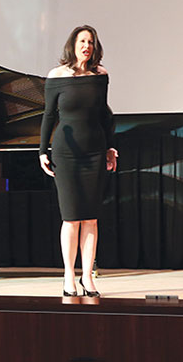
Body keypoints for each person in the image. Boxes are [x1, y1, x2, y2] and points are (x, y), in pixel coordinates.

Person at [39, 25, 118, 297]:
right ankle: (68, 276)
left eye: (91, 42)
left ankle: (88, 277)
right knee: (71, 218)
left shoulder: (100, 75)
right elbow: (49, 116)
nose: (87, 45)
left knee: (91, 218)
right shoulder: (57, 76)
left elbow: (105, 115)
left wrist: (110, 147)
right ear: (72, 44)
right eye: (82, 41)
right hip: (66, 152)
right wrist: (42, 151)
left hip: (95, 150)